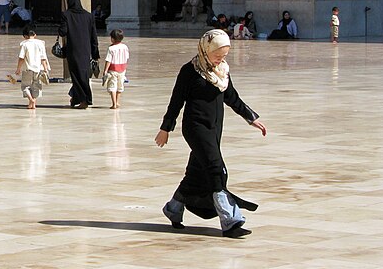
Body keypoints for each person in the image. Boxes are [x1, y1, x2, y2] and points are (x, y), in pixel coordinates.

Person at [154, 29, 267, 238]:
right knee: (216, 169)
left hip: (214, 128)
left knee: (197, 172)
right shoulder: (189, 71)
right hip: (195, 128)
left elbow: (232, 97)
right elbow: (176, 102)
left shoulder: (222, 71)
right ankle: (230, 220)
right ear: (206, 50)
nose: (220, 59)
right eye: (217, 55)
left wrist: (251, 117)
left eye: (224, 55)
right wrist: (165, 128)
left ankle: (173, 209)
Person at [58, 0, 100, 109]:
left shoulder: (66, 15)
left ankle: (85, 100)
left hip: (73, 50)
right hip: (86, 50)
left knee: (76, 76)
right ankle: (76, 99)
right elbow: (93, 36)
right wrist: (95, 53)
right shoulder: (89, 16)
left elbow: (63, 32)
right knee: (82, 75)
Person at [15, 26, 50, 109]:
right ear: (35, 34)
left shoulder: (24, 44)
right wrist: (45, 69)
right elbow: (43, 58)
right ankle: (33, 103)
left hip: (27, 69)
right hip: (38, 69)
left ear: (25, 36)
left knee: (25, 86)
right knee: (36, 86)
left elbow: (21, 58)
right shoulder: (40, 43)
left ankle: (31, 100)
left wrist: (18, 69)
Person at [102, 28, 129, 110]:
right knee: (120, 86)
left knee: (112, 86)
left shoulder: (111, 49)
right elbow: (127, 58)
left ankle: (114, 104)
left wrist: (105, 70)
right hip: (122, 69)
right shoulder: (125, 47)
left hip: (113, 70)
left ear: (112, 39)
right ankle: (117, 102)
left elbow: (108, 60)